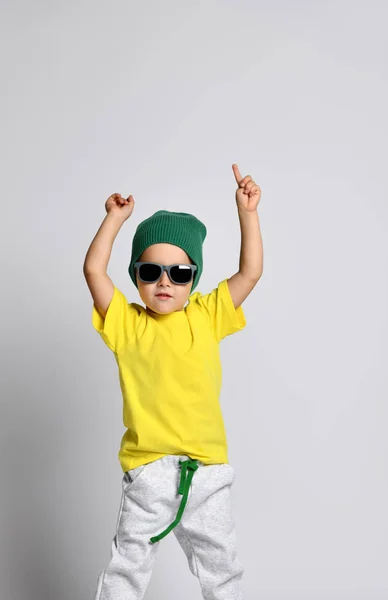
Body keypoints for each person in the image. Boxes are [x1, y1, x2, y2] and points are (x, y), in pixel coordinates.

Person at [83, 163, 263, 600]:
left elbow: (250, 273)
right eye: (151, 272)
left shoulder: (207, 314)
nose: (166, 282)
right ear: (137, 277)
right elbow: (93, 271)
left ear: (193, 279)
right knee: (127, 568)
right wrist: (114, 219)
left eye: (180, 274)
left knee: (222, 572)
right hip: (148, 473)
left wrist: (248, 214)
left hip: (206, 472)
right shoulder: (127, 324)